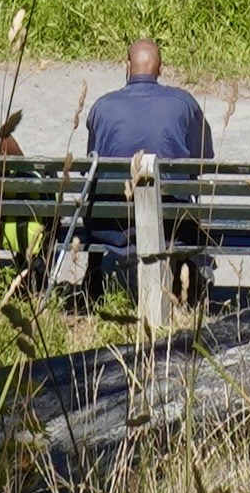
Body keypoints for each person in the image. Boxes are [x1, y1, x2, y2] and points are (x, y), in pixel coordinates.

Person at [77, 34, 213, 310]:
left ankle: (92, 283)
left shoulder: (102, 107)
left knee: (99, 197)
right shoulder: (183, 103)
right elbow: (202, 160)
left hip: (112, 227)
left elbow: (91, 168)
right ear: (160, 69)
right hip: (172, 227)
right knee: (182, 200)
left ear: (126, 66)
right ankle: (189, 282)